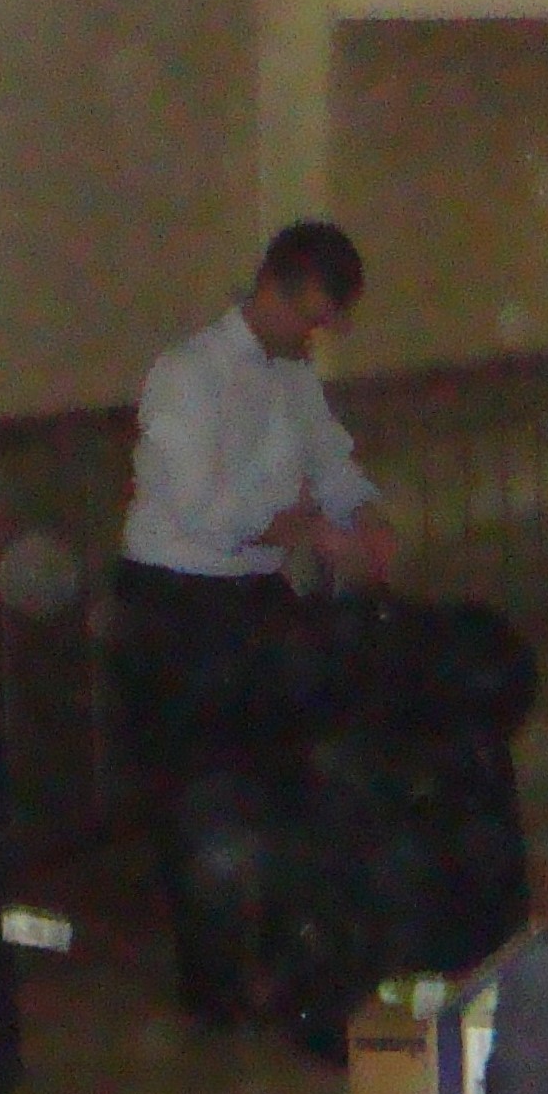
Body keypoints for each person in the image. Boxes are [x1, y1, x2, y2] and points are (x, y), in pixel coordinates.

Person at [112, 220, 396, 780]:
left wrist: (365, 515)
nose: (314, 336)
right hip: (177, 598)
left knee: (301, 740)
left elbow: (330, 461)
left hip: (249, 591)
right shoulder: (189, 374)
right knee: (205, 783)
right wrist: (312, 533)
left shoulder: (294, 375)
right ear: (270, 288)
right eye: (309, 319)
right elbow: (202, 512)